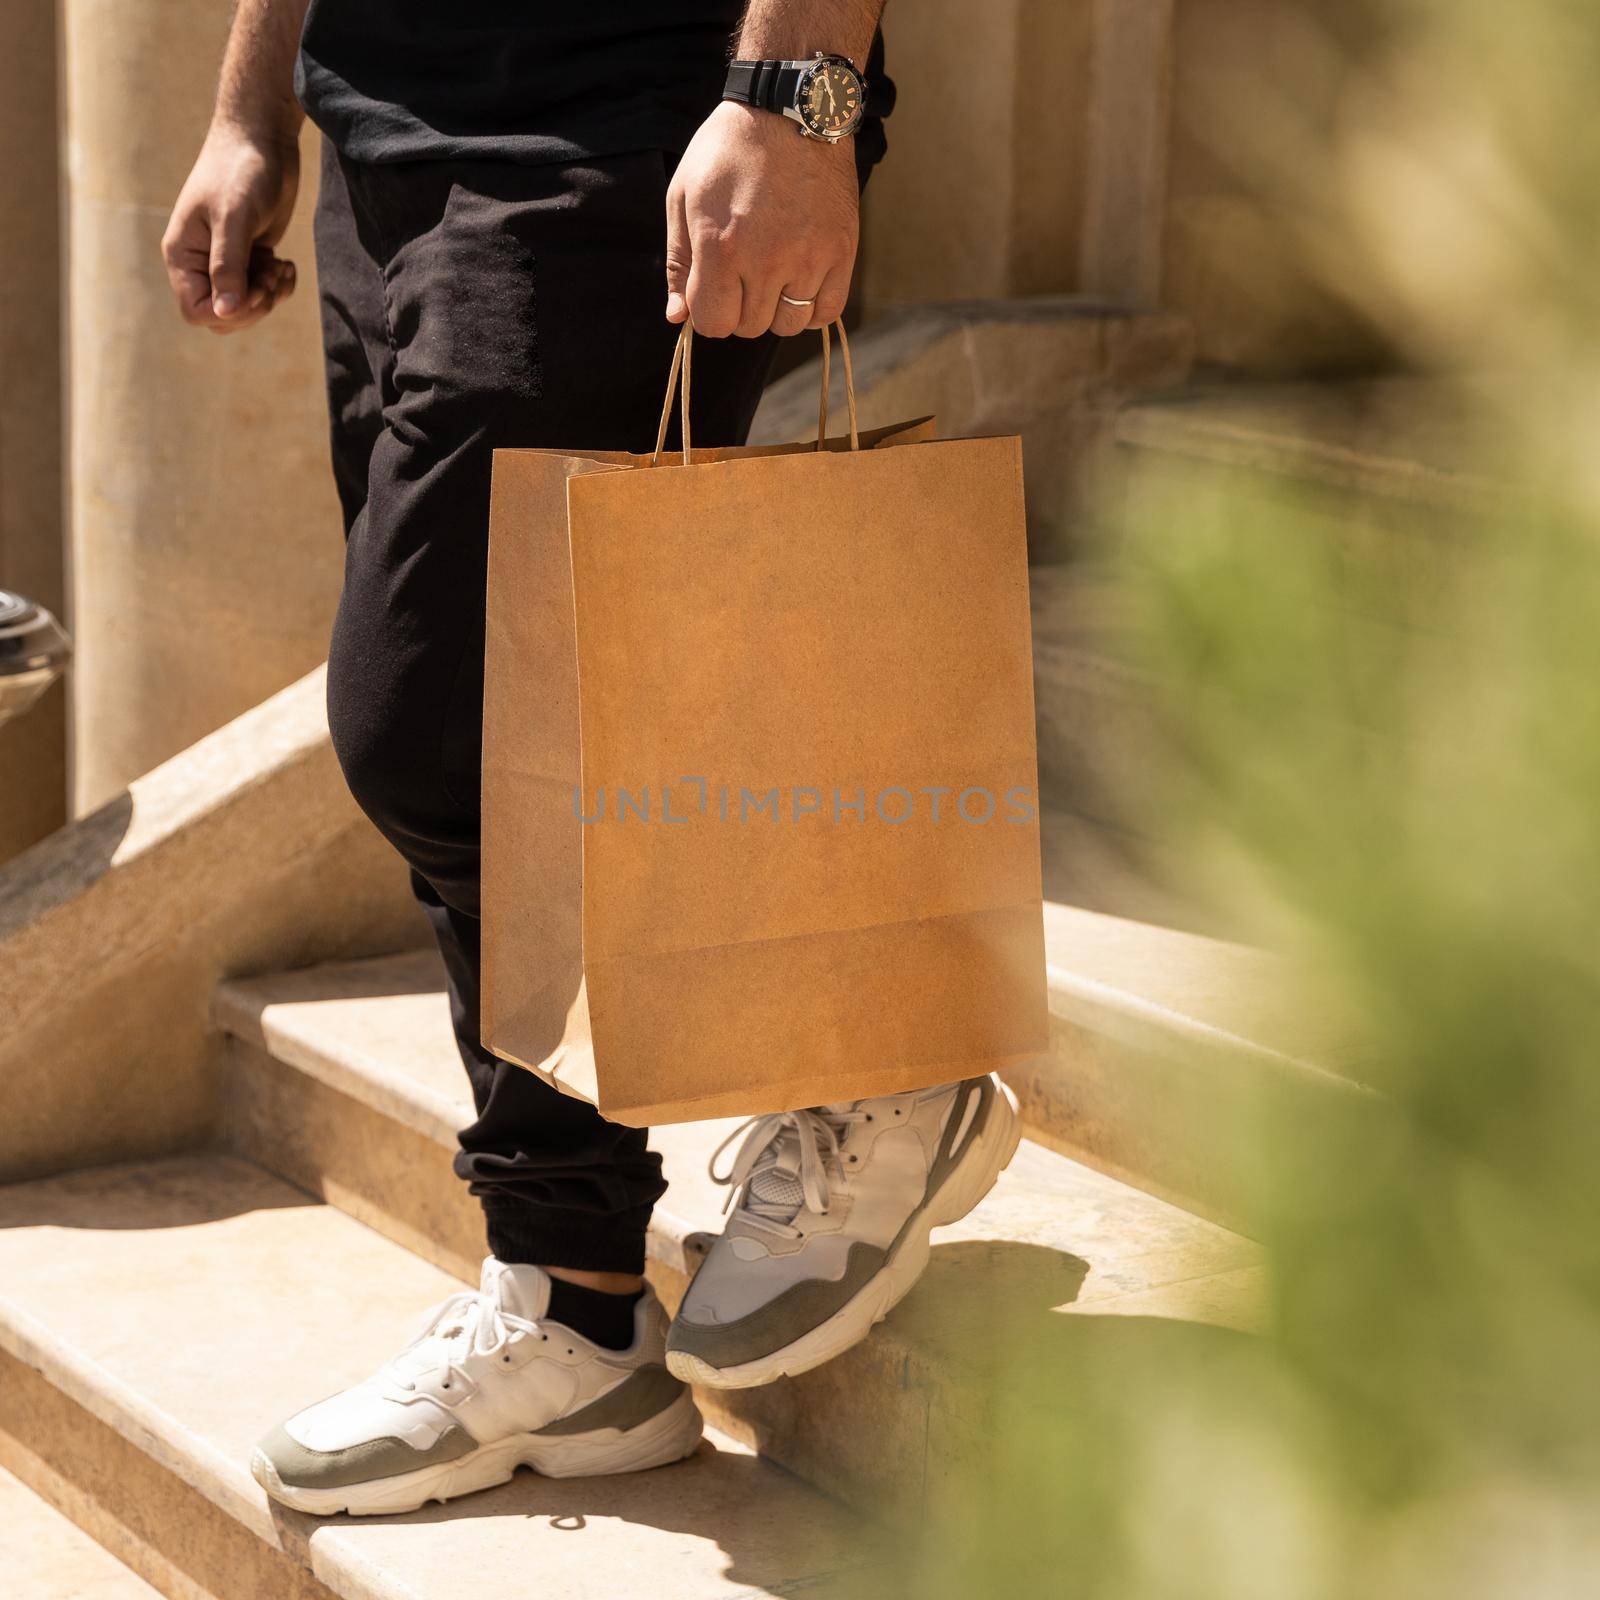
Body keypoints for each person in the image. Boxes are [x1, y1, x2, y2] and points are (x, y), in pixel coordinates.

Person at [163, 0, 1021, 1517]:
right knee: (505, 712)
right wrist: (254, 105)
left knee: (432, 721)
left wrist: (795, 96)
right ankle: (573, 1301)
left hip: (624, 106)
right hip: (385, 108)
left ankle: (883, 1060)